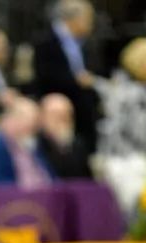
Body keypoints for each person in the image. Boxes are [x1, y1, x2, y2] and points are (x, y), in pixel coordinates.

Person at [33, 0, 99, 153]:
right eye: (88, 18)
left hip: (82, 112)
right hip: (57, 108)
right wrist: (76, 81)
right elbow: (45, 75)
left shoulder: (84, 43)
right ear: (75, 19)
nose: (91, 24)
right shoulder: (45, 41)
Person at [97, 37, 146, 158]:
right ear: (144, 64)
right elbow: (138, 136)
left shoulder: (143, 91)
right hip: (128, 165)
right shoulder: (132, 94)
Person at [0, 96, 52, 187]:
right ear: (13, 119)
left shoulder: (29, 144)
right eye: (30, 123)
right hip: (14, 199)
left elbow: (48, 176)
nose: (34, 129)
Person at [37, 92, 91, 179]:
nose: (61, 121)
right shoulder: (35, 145)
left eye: (66, 115)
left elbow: (87, 181)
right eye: (55, 115)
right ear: (41, 117)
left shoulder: (78, 145)